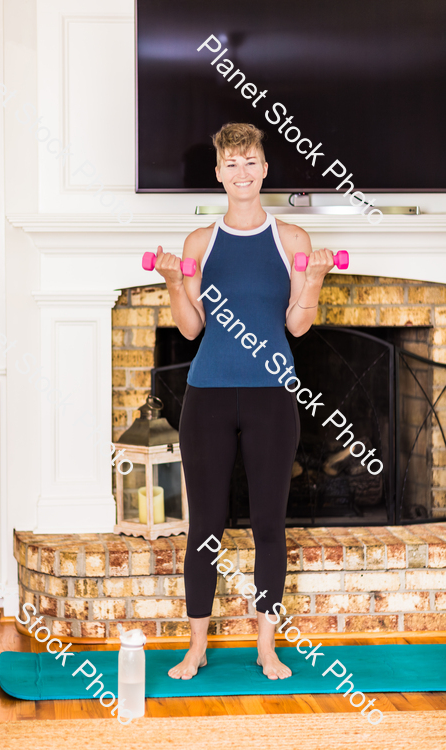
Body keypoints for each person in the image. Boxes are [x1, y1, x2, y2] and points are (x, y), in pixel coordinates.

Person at [153, 122, 334, 680]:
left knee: (268, 524)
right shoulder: (199, 245)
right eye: (231, 164)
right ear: (218, 173)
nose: (241, 171)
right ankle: (197, 645)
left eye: (250, 161)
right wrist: (171, 283)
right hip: (206, 396)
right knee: (204, 522)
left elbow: (298, 326)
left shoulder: (294, 241)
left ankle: (266, 645)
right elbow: (189, 329)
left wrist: (318, 279)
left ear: (264, 168)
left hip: (272, 397)